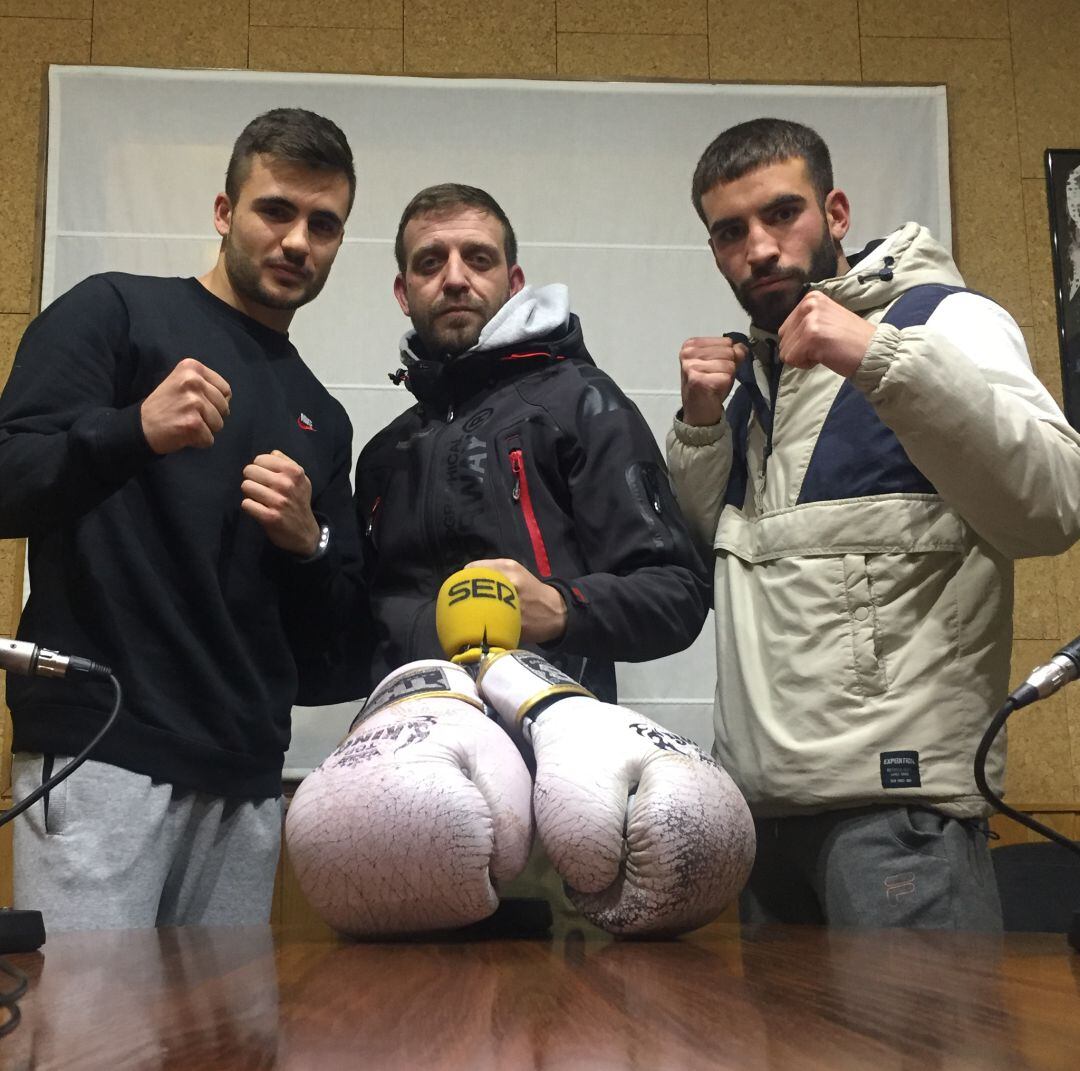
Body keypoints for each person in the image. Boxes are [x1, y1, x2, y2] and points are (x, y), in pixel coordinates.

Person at [667, 117, 1080, 929]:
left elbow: (1054, 504)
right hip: (763, 817)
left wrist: (881, 357)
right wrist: (700, 429)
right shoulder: (756, 377)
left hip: (899, 814)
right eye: (730, 231)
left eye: (782, 213)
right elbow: (713, 564)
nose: (759, 247)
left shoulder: (943, 320)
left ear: (837, 213)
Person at [0, 108, 365, 931]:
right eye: (276, 210)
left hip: (246, 777)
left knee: (226, 1020)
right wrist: (132, 429)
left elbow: (333, 653)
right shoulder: (115, 312)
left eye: (323, 224)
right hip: (101, 750)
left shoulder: (323, 415)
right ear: (224, 211)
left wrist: (309, 544)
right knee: (87, 1014)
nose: (297, 241)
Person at [354, 183, 709, 704]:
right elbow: (352, 630)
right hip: (410, 735)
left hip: (553, 738)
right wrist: (311, 542)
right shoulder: (384, 455)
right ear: (403, 293)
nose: (455, 278)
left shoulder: (582, 403)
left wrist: (560, 608)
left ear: (514, 283)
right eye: (430, 263)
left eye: (478, 259)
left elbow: (677, 593)